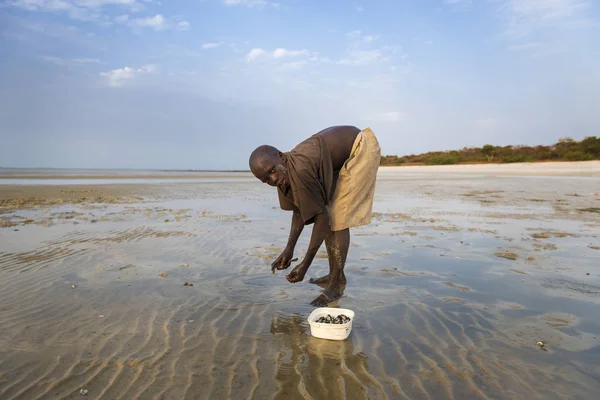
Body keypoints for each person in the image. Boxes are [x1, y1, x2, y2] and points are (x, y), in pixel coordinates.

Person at [249, 125, 381, 306]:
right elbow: (298, 210)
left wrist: (305, 264)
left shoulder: (300, 170)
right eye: (266, 180)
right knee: (328, 211)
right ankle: (335, 275)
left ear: (281, 156)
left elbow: (322, 217)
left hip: (361, 147)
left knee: (336, 217)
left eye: (272, 171)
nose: (273, 180)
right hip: (339, 157)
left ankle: (336, 285)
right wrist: (289, 249)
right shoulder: (284, 175)